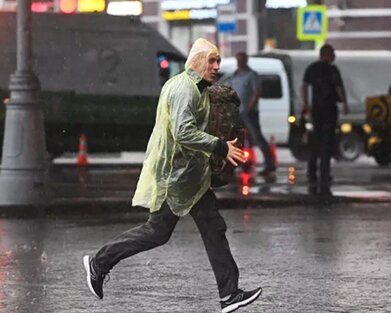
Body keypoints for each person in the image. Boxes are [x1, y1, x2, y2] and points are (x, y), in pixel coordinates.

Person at [82, 38, 262, 313]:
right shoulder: (184, 90)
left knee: (214, 229)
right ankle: (99, 262)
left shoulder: (199, 89)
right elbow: (182, 133)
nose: (217, 65)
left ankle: (229, 294)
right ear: (198, 61)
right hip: (173, 178)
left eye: (217, 60)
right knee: (157, 232)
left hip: (190, 177)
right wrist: (220, 146)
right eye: (211, 61)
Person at [301, 44, 349, 196]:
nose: (334, 56)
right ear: (326, 54)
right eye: (332, 53)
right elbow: (340, 88)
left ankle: (312, 172)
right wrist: (345, 104)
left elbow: (304, 87)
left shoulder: (312, 68)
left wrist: (306, 104)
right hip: (329, 110)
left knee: (315, 141)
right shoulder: (332, 70)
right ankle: (324, 173)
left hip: (317, 110)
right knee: (327, 142)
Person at [228, 51, 276, 176]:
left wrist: (250, 107)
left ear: (246, 61)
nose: (239, 63)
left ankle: (269, 164)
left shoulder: (252, 75)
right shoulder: (234, 76)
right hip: (237, 113)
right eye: (238, 60)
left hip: (249, 113)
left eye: (241, 60)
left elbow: (257, 92)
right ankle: (241, 164)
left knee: (257, 137)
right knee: (237, 140)